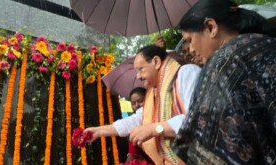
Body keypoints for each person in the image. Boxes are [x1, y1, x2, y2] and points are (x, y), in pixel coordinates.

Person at [172, 0, 276, 164]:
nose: (190, 50)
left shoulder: (223, 63)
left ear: (211, 27)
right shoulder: (268, 44)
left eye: (189, 39)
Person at [128, 44, 201, 164]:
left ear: (156, 62)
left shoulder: (187, 73)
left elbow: (194, 120)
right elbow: (136, 119)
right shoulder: (155, 91)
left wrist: (154, 129)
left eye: (140, 69)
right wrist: (98, 131)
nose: (138, 76)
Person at [85, 87, 151, 163]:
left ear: (149, 99)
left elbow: (131, 122)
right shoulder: (137, 121)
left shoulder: (149, 113)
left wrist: (97, 131)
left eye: (140, 101)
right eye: (133, 103)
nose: (137, 105)